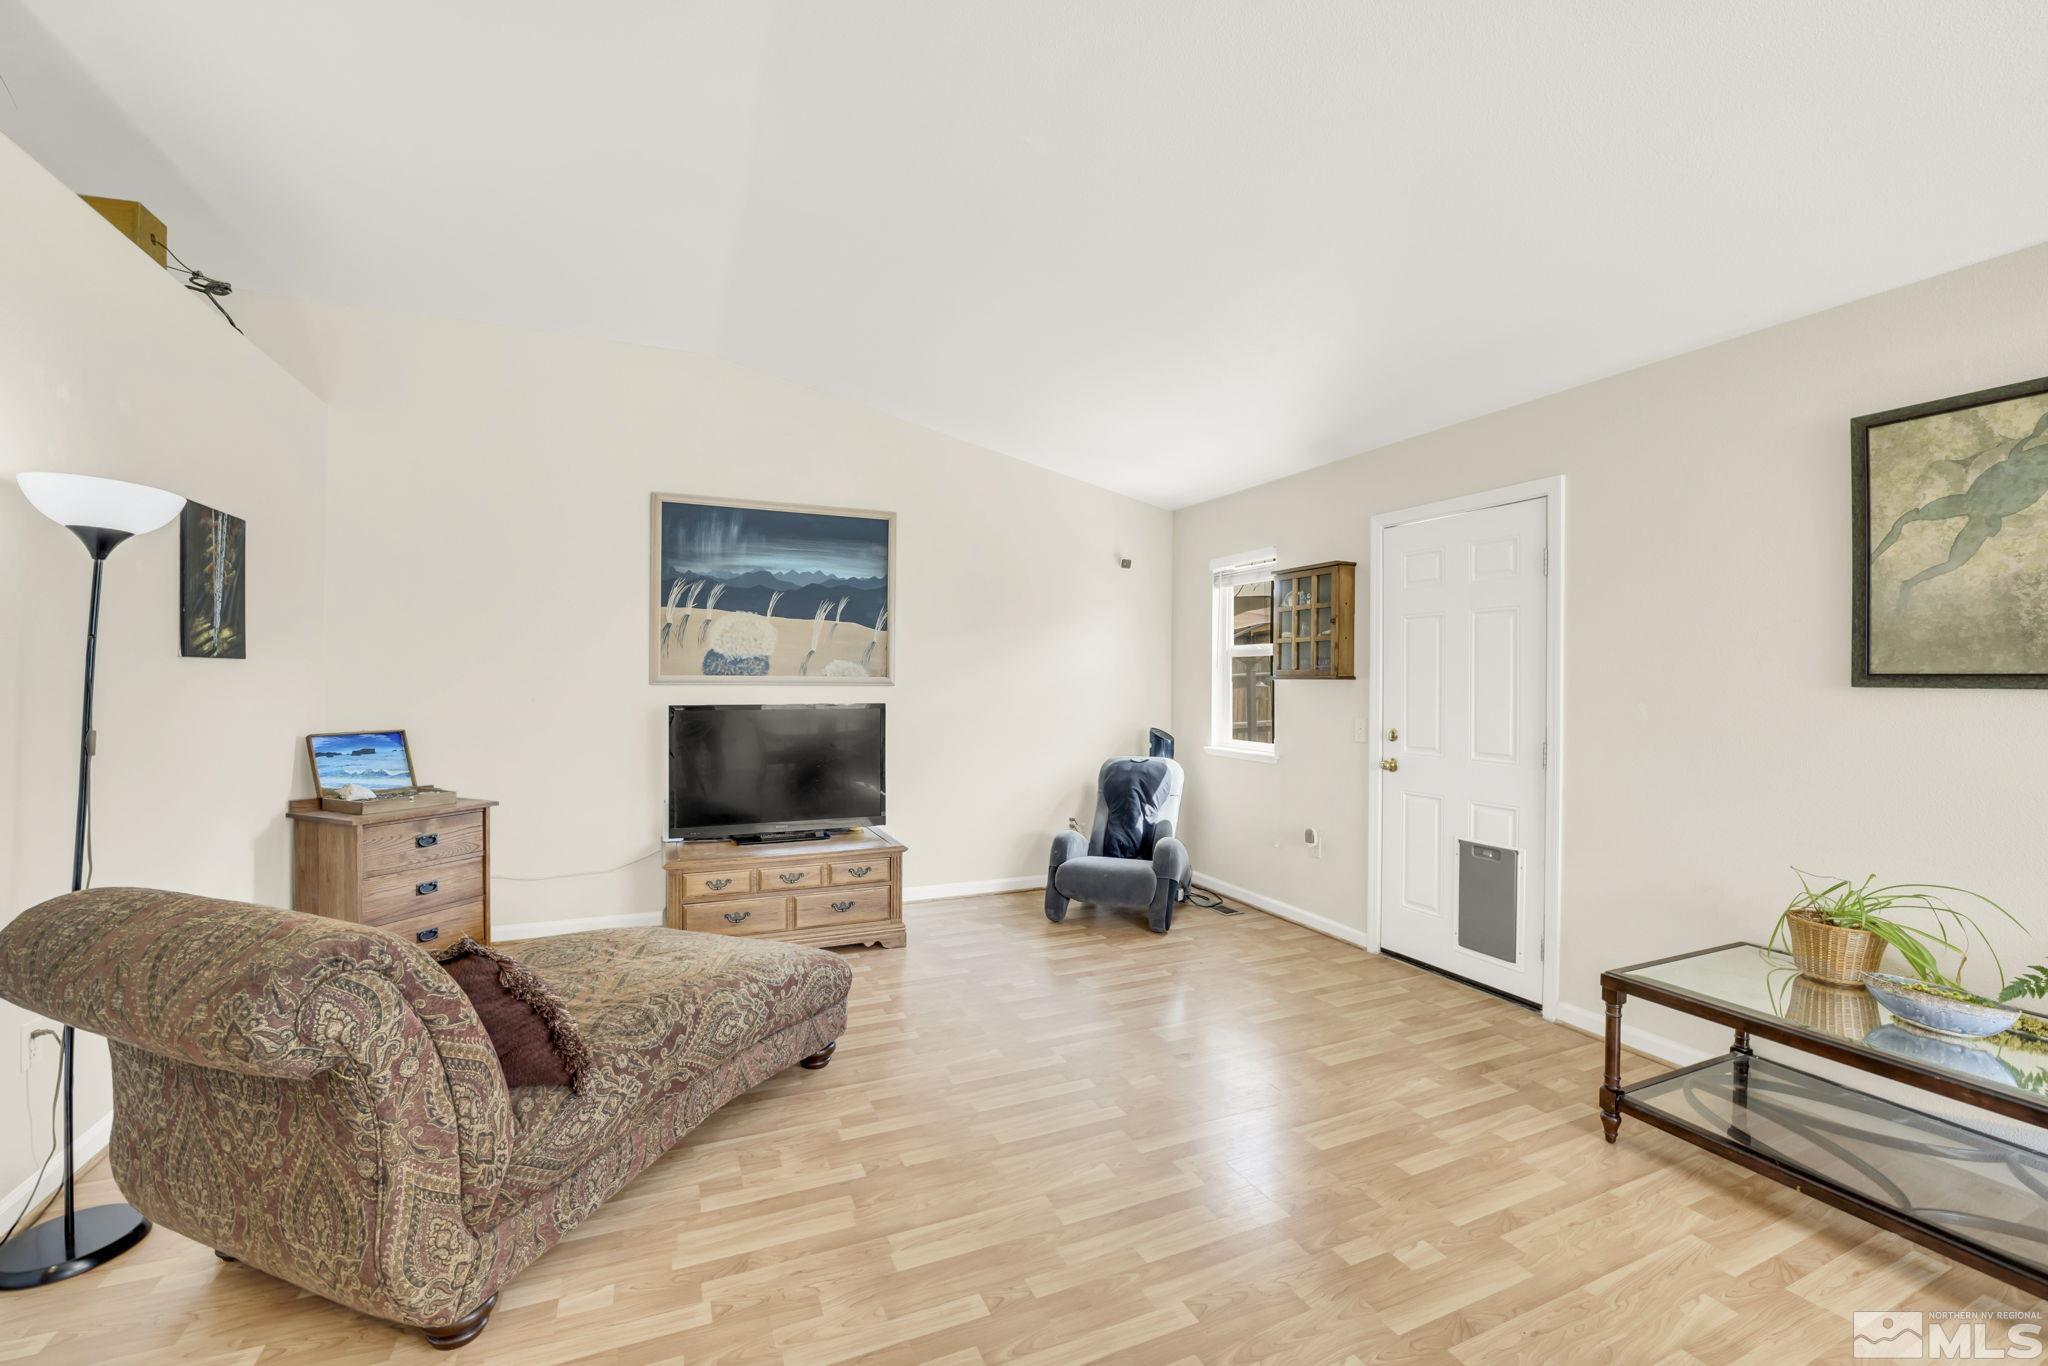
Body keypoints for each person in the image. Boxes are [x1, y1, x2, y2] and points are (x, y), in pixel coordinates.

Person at [1872, 408, 2048, 607]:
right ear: (1993, 527)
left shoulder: (1989, 502)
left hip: (1999, 483)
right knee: (1918, 527)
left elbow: (1952, 561)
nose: (1985, 534)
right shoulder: (1988, 503)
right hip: (1995, 485)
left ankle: (1904, 579)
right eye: (1987, 532)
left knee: (1938, 547)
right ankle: (1892, 570)